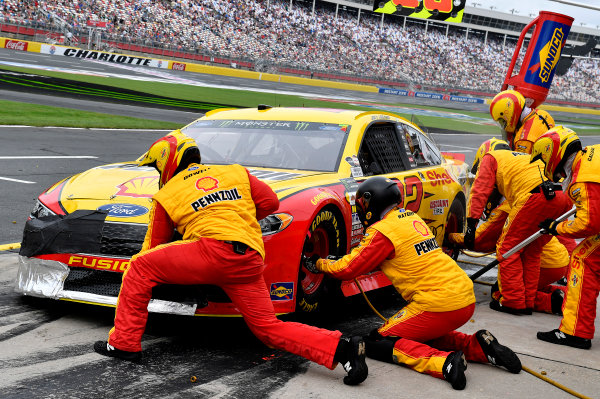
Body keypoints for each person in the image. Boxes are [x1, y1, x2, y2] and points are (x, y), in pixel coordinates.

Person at [93, 131, 368, 385]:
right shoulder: (235, 172)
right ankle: (343, 348)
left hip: (209, 252)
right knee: (268, 328)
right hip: (248, 258)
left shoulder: (167, 193)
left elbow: (153, 248)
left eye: (155, 167)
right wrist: (236, 217)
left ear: (166, 162)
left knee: (139, 267)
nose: (156, 173)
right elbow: (270, 203)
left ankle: (124, 344)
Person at [304, 176, 522, 391]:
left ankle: (443, 363)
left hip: (438, 303)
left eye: (363, 204)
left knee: (378, 341)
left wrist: (319, 263)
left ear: (372, 202)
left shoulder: (382, 231)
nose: (361, 210)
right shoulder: (410, 218)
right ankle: (478, 345)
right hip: (463, 296)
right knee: (418, 335)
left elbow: (348, 269)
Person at [448, 138, 569, 315]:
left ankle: (513, 302)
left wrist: (468, 227)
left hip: (536, 196)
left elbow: (479, 192)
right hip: (559, 196)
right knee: (531, 251)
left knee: (508, 249)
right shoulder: (519, 164)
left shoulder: (490, 159)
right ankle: (527, 302)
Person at [532, 126, 600, 350]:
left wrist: (556, 228)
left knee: (583, 258)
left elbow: (590, 222)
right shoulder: (591, 157)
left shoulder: (583, 177)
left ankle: (575, 332)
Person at [489, 89, 555, 153]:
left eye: (502, 121)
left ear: (510, 114)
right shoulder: (542, 113)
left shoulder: (523, 140)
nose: (503, 125)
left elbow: (517, 163)